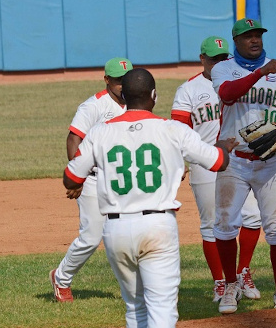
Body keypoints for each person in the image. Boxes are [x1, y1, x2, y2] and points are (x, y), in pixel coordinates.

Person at [63, 68, 238, 327]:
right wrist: (223, 146)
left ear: (124, 97)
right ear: (153, 95)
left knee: (135, 309)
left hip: (115, 228)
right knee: (162, 310)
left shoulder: (99, 133)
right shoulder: (172, 129)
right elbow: (218, 162)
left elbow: (71, 179)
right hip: (157, 227)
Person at [210, 18, 276, 313]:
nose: (255, 40)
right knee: (225, 226)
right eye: (248, 36)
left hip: (270, 161)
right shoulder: (223, 68)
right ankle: (231, 285)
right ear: (235, 41)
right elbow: (227, 94)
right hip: (233, 162)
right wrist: (261, 72)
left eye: (258, 35)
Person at [171, 36, 263, 302]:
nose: (221, 62)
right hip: (204, 163)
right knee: (212, 225)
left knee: (253, 217)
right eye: (215, 59)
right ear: (203, 60)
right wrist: (180, 160)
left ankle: (242, 272)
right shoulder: (188, 90)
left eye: (225, 58)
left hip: (241, 159)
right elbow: (179, 128)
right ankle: (221, 282)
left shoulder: (241, 80)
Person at [50, 57, 133, 302]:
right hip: (93, 179)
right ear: (107, 80)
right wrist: (77, 177)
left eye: (126, 81)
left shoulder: (138, 100)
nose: (123, 86)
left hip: (122, 179)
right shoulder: (93, 106)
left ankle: (133, 287)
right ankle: (61, 277)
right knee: (90, 238)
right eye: (118, 81)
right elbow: (73, 139)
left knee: (125, 234)